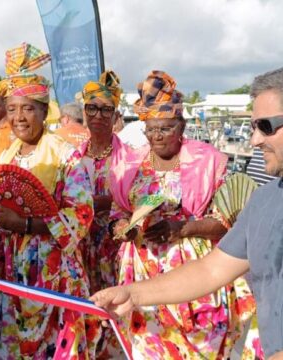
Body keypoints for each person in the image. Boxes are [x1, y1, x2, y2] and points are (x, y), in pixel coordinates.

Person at [91, 67, 283, 359]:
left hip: (194, 288)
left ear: (181, 127)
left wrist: (183, 229)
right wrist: (133, 291)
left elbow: (223, 224)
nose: (254, 140)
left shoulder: (206, 163)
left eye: (266, 127)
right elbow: (213, 268)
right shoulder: (265, 202)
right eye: (151, 128)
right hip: (152, 275)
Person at [0, 42, 94, 359]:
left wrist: (25, 224)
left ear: (46, 112)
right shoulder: (7, 155)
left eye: (28, 108)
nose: (18, 117)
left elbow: (82, 216)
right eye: (13, 108)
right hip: (13, 271)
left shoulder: (65, 156)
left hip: (53, 273)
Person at [78, 70, 143, 358]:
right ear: (84, 112)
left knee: (115, 309)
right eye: (92, 108)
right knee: (85, 309)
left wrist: (101, 205)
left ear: (116, 115)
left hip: (115, 246)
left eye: (106, 109)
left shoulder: (131, 156)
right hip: (80, 245)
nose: (99, 115)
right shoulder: (72, 155)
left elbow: (142, 197)